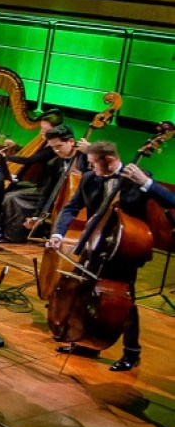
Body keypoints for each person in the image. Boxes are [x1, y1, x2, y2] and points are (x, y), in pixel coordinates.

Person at [48, 139, 175, 371]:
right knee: (83, 294)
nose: (90, 167)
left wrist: (146, 183)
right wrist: (58, 233)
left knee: (125, 304)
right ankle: (84, 341)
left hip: (123, 249)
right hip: (93, 248)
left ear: (109, 160)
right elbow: (71, 208)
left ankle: (131, 352)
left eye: (92, 163)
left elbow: (171, 201)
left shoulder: (137, 177)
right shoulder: (90, 178)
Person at [1, 126, 82, 242]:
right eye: (53, 147)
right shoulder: (56, 162)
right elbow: (48, 190)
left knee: (12, 198)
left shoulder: (83, 159)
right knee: (10, 196)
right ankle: (12, 235)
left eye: (59, 146)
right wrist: (40, 214)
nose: (56, 151)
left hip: (71, 203)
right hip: (50, 197)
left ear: (71, 142)